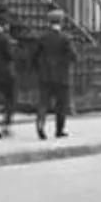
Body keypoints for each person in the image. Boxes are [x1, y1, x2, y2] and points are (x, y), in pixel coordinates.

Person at [33, 9, 77, 141]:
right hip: (62, 77)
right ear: (61, 22)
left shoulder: (42, 38)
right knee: (61, 104)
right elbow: (73, 56)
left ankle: (40, 125)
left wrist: (40, 69)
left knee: (43, 103)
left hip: (45, 76)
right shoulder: (65, 38)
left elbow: (34, 56)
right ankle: (59, 130)